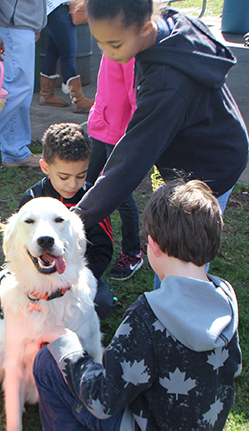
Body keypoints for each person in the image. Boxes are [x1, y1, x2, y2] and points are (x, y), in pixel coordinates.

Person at [13, 179, 242, 431]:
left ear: (153, 246)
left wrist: (66, 345)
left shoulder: (146, 317)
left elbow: (103, 400)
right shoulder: (225, 297)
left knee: (49, 363)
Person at [74, 1, 249, 244]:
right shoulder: (168, 22)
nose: (107, 53)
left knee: (180, 249)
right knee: (170, 241)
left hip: (210, 165)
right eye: (99, 42)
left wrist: (77, 220)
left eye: (115, 44)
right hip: (213, 142)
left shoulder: (167, 84)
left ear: (146, 28)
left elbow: (134, 155)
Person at [0, 123, 117, 320]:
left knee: (101, 304)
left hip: (75, 274)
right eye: (64, 176)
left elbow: (102, 251)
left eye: (81, 176)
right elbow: (20, 244)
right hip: (35, 276)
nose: (72, 184)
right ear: (45, 166)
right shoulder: (33, 197)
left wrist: (72, 283)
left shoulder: (93, 200)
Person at [86, 55, 143, 281]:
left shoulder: (128, 51)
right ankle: (86, 239)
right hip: (99, 126)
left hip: (119, 133)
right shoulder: (108, 44)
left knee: (120, 193)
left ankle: (132, 253)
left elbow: (136, 97)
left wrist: (134, 135)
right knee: (85, 183)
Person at [0, 0, 47, 168]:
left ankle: (15, 150)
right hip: (12, 25)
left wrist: (35, 23)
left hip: (20, 24)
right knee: (13, 90)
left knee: (17, 91)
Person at [39, 2, 94, 113]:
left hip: (53, 7)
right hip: (57, 6)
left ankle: (46, 95)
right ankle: (78, 100)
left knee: (53, 50)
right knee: (68, 52)